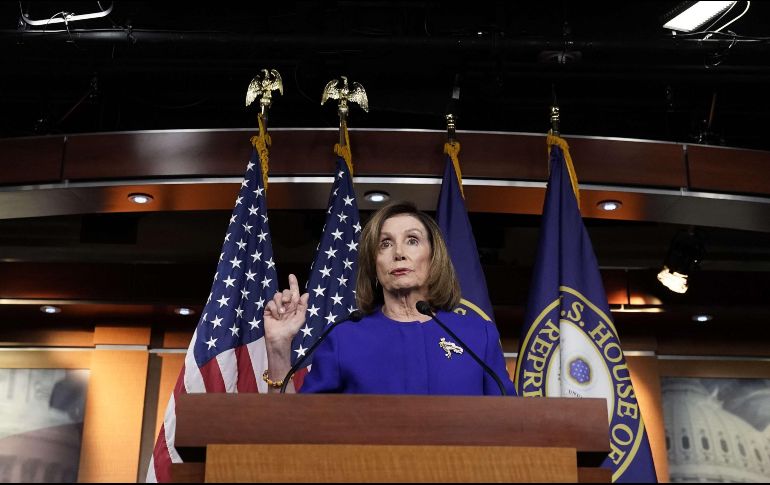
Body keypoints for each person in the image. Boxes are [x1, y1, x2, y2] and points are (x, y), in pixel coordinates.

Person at [263, 201, 516, 395]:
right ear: (374, 265)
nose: (398, 253)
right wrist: (278, 348)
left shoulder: (476, 336)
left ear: (433, 257)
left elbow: (509, 424)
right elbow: (296, 428)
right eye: (385, 244)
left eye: (412, 241)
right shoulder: (344, 338)